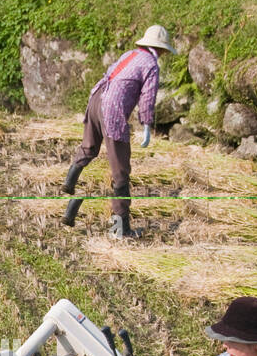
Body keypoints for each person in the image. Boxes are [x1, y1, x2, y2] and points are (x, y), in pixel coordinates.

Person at [60, 25, 175, 239]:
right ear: (161, 49)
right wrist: (147, 125)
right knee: (120, 174)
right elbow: (147, 97)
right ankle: (120, 230)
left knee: (89, 147)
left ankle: (69, 182)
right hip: (112, 109)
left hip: (96, 99)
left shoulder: (130, 54)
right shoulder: (151, 64)